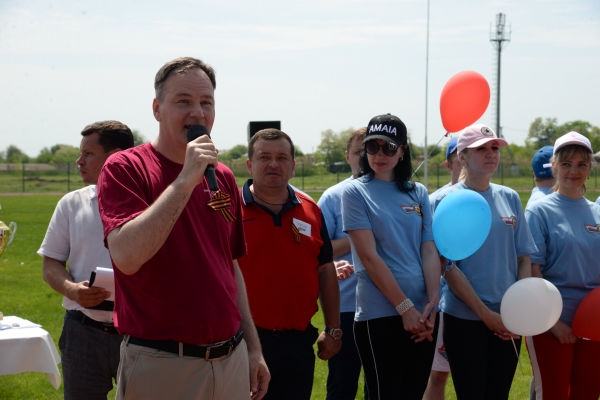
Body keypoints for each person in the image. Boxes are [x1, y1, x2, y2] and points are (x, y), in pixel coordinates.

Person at [96, 57, 269, 400]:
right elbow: (127, 257)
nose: (198, 113)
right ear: (157, 109)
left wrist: (252, 347)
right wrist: (186, 179)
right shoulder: (126, 167)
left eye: (206, 102)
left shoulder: (222, 176)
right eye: (183, 101)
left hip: (230, 360)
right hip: (162, 364)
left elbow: (229, 265)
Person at [430, 124, 537, 400]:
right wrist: (484, 314)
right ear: (462, 156)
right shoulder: (445, 200)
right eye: (481, 148)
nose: (491, 154)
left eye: (494, 148)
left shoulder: (510, 197)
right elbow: (446, 264)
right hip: (464, 318)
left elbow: (523, 257)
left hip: (508, 320)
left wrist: (518, 310)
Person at [237, 128, 341, 400]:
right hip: (245, 342)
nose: (273, 164)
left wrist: (333, 328)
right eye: (264, 157)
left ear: (293, 167)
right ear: (250, 164)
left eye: (282, 158)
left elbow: (326, 269)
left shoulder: (310, 210)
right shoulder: (229, 212)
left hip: (298, 343)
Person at [342, 113, 440, 399]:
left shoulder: (418, 192)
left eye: (389, 147)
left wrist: (432, 305)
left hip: (423, 315)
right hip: (381, 314)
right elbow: (369, 258)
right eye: (373, 147)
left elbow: (429, 249)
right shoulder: (355, 192)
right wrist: (405, 308)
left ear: (403, 151)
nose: (380, 154)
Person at [38, 121, 134, 399]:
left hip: (141, 335)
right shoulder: (71, 203)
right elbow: (50, 263)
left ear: (116, 156)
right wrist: (72, 290)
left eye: (89, 154)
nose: (79, 161)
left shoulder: (154, 203)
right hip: (82, 332)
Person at [525, 131, 600, 400]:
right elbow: (532, 272)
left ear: (589, 168)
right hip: (552, 324)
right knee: (554, 394)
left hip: (594, 324)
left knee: (588, 395)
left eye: (581, 164)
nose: (574, 171)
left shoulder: (596, 212)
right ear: (554, 166)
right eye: (566, 164)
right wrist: (552, 323)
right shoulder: (539, 211)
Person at [317, 127, 368, 400]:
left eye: (370, 150)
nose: (365, 157)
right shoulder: (333, 197)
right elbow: (320, 251)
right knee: (342, 384)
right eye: (359, 151)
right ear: (348, 156)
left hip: (385, 306)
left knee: (382, 384)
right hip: (346, 306)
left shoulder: (393, 196)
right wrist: (362, 235)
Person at [423, 137, 460, 400]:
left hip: (483, 302)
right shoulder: (436, 200)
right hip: (445, 302)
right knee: (438, 374)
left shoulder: (496, 198)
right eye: (460, 157)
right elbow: (428, 253)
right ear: (449, 164)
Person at [428, 137, 461, 206]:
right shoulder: (435, 201)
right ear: (448, 165)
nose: (467, 164)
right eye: (460, 160)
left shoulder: (488, 193)